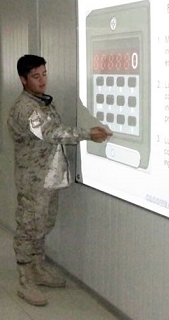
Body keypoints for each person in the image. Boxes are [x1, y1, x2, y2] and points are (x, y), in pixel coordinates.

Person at [7, 54, 112, 306]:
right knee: (28, 227)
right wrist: (87, 134)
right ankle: (24, 280)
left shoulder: (43, 103)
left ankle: (37, 268)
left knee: (43, 224)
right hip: (33, 181)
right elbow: (50, 132)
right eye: (35, 76)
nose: (42, 80)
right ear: (23, 80)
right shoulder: (26, 108)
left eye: (44, 74)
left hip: (48, 178)